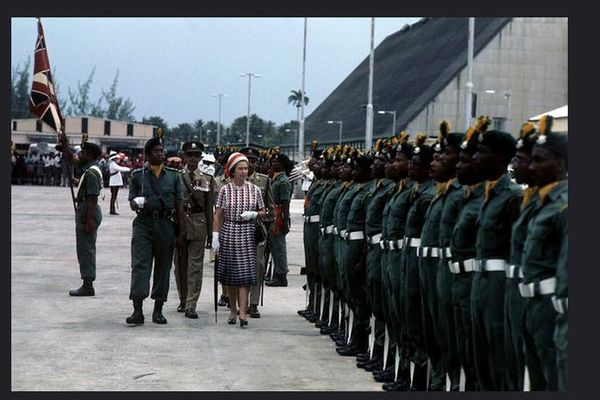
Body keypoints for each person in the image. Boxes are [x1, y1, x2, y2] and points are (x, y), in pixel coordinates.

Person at [471, 122, 522, 391]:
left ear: (499, 158)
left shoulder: (512, 197)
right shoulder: (487, 194)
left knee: (500, 358)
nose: (475, 157)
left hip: (499, 287)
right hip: (480, 284)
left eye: (482, 152)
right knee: (481, 358)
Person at [520, 115, 567, 391]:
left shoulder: (563, 206)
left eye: (540, 160)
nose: (531, 166)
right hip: (532, 304)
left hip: (552, 306)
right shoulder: (539, 202)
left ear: (561, 163)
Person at [126, 132, 186, 325]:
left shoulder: (174, 176)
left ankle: (158, 310)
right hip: (143, 224)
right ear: (148, 154)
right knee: (140, 266)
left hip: (165, 224)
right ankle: (137, 310)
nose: (161, 154)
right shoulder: (137, 176)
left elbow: (179, 205)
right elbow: (131, 201)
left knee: (163, 267)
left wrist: (181, 232)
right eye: (156, 151)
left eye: (162, 151)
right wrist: (136, 203)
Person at [212, 152, 266, 328]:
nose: (244, 171)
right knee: (231, 276)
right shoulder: (224, 190)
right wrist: (215, 237)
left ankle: (243, 312)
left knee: (245, 276)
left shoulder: (255, 190)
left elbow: (263, 211)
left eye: (246, 168)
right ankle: (233, 309)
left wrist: (254, 214)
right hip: (229, 232)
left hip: (247, 233)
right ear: (233, 171)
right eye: (240, 168)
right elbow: (218, 215)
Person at [57, 133, 103, 297]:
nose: (80, 155)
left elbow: (92, 198)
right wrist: (65, 145)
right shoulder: (90, 168)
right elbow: (72, 160)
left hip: (87, 211)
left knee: (86, 249)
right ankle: (87, 282)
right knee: (85, 248)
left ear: (90, 155)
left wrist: (89, 221)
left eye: (83, 153)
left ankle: (88, 285)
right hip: (86, 209)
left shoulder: (91, 172)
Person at [173, 141, 214, 319]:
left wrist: (211, 232)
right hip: (180, 224)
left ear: (200, 157)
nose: (193, 158)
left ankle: (191, 304)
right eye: (190, 155)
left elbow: (209, 207)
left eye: (196, 155)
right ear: (184, 157)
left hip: (198, 224)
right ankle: (183, 299)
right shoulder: (176, 177)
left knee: (195, 267)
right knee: (180, 265)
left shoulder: (206, 178)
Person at [240, 147, 273, 318]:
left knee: (258, 266)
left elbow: (270, 207)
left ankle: (253, 303)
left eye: (253, 161)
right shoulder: (233, 181)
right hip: (238, 229)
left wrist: (267, 227)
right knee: (240, 265)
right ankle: (241, 303)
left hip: (257, 229)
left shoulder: (264, 181)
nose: (250, 164)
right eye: (247, 161)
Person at [265, 152, 294, 287]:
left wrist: (286, 220)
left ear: (282, 164)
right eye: (273, 162)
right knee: (273, 246)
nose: (273, 164)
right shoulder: (275, 178)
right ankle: (275, 274)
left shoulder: (283, 181)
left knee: (279, 247)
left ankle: (281, 276)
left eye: (276, 162)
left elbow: (286, 202)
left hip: (279, 215)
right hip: (272, 214)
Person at [107, 150, 131, 215]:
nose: (117, 159)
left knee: (114, 196)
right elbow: (120, 168)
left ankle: (112, 209)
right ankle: (112, 209)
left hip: (115, 182)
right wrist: (129, 169)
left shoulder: (113, 164)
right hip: (114, 182)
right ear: (114, 158)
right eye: (116, 158)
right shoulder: (113, 164)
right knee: (113, 196)